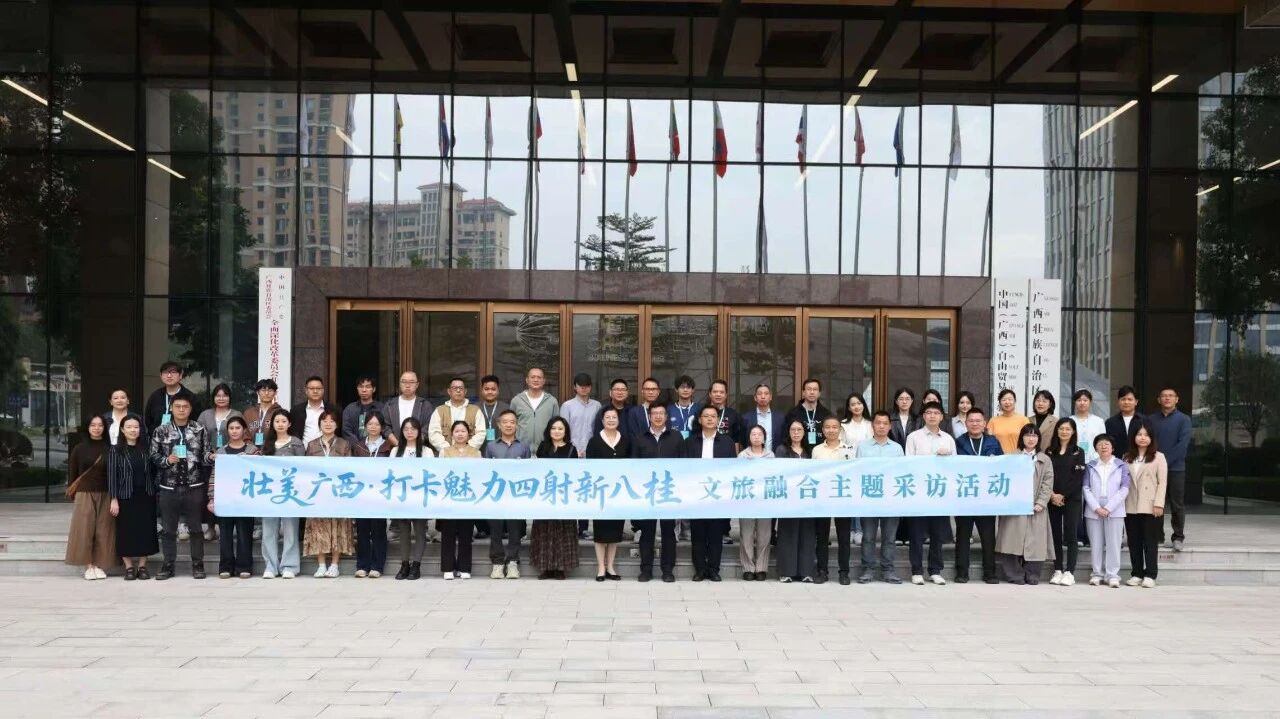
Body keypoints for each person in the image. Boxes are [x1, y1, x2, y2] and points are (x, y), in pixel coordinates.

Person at [149, 396, 208, 580]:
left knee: (196, 528)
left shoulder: (199, 429)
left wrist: (211, 457)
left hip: (194, 486)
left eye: (185, 406)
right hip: (169, 486)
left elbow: (205, 454)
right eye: (178, 406)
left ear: (190, 409)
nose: (181, 409)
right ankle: (168, 565)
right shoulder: (161, 430)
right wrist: (167, 460)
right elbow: (153, 455)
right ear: (172, 409)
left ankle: (198, 564)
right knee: (168, 529)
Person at [995, 424, 1056, 585]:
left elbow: (1048, 482)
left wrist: (1041, 502)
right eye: (1027, 435)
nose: (1031, 439)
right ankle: (1014, 574)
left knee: (1036, 542)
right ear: (1021, 438)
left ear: (1038, 439)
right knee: (1011, 540)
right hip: (1015, 507)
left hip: (1036, 507)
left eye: (1034, 435)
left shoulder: (1044, 459)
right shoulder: (1011, 457)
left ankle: (1032, 574)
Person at [904, 401, 955, 586]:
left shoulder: (948, 439)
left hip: (939, 492)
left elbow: (955, 467)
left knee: (937, 533)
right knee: (916, 534)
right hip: (918, 492)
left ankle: (935, 570)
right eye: (929, 412)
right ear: (923, 416)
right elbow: (908, 464)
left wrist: (946, 459)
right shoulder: (913, 437)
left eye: (936, 413)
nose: (932, 416)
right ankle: (917, 570)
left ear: (941, 417)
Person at [630, 403, 682, 582]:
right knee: (647, 532)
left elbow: (684, 464)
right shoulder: (640, 438)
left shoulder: (676, 437)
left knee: (668, 532)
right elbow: (634, 465)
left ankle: (668, 570)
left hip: (669, 491)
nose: (658, 416)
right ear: (649, 416)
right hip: (648, 492)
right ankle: (646, 570)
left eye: (661, 413)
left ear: (666, 416)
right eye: (654, 413)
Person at [683, 405, 735, 581]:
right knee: (697, 534)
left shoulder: (727, 442)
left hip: (718, 494)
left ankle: (713, 569)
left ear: (718, 420)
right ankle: (699, 569)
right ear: (699, 420)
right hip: (696, 494)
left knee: (715, 534)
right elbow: (685, 469)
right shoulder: (690, 442)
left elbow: (731, 469)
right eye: (706, 416)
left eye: (713, 416)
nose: (710, 419)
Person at [953, 407, 1002, 584]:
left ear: (984, 423)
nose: (975, 424)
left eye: (978, 421)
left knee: (988, 537)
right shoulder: (958, 442)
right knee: (963, 536)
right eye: (971, 421)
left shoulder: (993, 441)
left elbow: (1002, 464)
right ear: (966, 423)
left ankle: (990, 573)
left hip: (986, 498)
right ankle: (961, 572)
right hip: (965, 495)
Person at [303, 411, 354, 579]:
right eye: (324, 421)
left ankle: (334, 564)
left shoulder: (344, 444)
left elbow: (349, 469)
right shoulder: (312, 445)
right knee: (318, 527)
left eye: (332, 421)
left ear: (337, 425)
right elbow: (307, 469)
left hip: (338, 492)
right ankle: (321, 565)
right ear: (319, 424)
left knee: (338, 527)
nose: (328, 424)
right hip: (318, 492)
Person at [65, 415, 116, 580]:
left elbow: (113, 474)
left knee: (104, 530)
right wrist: (75, 495)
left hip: (106, 493)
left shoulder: (110, 449)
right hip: (84, 493)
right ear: (87, 427)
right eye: (93, 425)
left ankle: (99, 565)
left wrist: (114, 496)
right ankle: (88, 566)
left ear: (104, 428)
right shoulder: (79, 449)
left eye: (100, 425)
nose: (96, 428)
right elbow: (73, 473)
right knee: (85, 530)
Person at [856, 411, 904, 584]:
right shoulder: (863, 447)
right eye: (878, 423)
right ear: (872, 425)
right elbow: (858, 471)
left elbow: (901, 473)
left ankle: (888, 570)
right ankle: (868, 569)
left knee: (889, 538)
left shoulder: (897, 448)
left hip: (891, 499)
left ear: (890, 426)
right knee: (868, 537)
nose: (881, 426)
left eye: (885, 423)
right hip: (869, 497)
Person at [107, 415, 157, 580]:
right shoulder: (116, 450)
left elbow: (153, 472)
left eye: (136, 427)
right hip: (125, 496)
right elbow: (112, 476)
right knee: (125, 531)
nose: (133, 430)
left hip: (146, 495)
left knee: (145, 530)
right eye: (129, 427)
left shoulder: (146, 449)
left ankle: (142, 566)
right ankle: (129, 567)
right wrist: (114, 498)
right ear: (122, 430)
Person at [531, 417, 580, 580]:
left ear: (566, 432)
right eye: (553, 428)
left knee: (562, 532)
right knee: (544, 531)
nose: (557, 431)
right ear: (548, 430)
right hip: (545, 496)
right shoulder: (543, 447)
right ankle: (545, 567)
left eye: (560, 428)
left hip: (564, 497)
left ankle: (560, 568)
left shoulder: (572, 449)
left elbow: (575, 473)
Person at [483, 409, 530, 579]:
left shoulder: (523, 446)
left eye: (512, 422)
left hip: (516, 495)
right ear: (499, 425)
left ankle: (512, 562)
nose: (509, 425)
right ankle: (497, 563)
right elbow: (485, 471)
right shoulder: (491, 446)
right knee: (495, 530)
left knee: (514, 530)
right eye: (505, 422)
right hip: (496, 495)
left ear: (516, 425)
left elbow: (528, 472)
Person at [210, 416, 259, 579]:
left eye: (238, 428)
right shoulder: (221, 452)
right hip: (225, 498)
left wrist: (253, 460)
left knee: (245, 533)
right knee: (225, 534)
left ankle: (244, 566)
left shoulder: (253, 450)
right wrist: (212, 498)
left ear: (244, 430)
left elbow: (260, 472)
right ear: (227, 431)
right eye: (231, 428)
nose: (234, 431)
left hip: (246, 498)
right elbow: (214, 475)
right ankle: (225, 567)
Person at [385, 417, 433, 580]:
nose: (409, 432)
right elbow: (390, 473)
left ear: (419, 431)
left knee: (420, 531)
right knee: (404, 532)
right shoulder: (395, 451)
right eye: (406, 429)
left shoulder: (427, 451)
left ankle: (416, 565)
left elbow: (431, 473)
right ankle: (404, 564)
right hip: (402, 497)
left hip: (420, 497)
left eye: (413, 429)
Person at [260, 410, 305, 579]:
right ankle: (270, 566)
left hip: (290, 492)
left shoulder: (296, 443)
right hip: (270, 492)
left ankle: (289, 566)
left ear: (289, 424)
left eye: (283, 421)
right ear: (272, 424)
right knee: (269, 530)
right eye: (277, 421)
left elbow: (304, 467)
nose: (280, 424)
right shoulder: (267, 443)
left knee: (290, 530)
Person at [586, 406, 629, 581]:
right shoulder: (594, 441)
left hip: (619, 492)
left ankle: (611, 566)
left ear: (618, 420)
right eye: (608, 417)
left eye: (614, 417)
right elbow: (589, 467)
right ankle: (601, 568)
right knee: (600, 532)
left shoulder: (625, 440)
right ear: (602, 420)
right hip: (600, 493)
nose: (611, 420)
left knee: (615, 532)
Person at [1083, 434, 1130, 588]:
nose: (1103, 446)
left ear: (1113, 448)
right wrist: (1096, 507)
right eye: (1100, 444)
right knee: (1096, 543)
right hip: (1094, 509)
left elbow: (1124, 488)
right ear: (1095, 448)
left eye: (1107, 444)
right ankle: (1097, 574)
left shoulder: (1121, 465)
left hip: (1115, 509)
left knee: (1114, 544)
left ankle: (1112, 575)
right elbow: (1086, 488)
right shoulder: (1090, 466)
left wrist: (1109, 507)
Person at [1123, 422, 1167, 588]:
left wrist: (1159, 504)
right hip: (1130, 505)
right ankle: (1136, 573)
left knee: (1150, 542)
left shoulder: (1159, 457)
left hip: (1150, 505)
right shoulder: (1126, 457)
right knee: (1134, 542)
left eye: (1146, 435)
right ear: (1134, 437)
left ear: (1151, 438)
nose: (1142, 438)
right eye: (1139, 434)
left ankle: (1150, 574)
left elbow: (1162, 482)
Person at [196, 383, 241, 542]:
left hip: (229, 461)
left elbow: (241, 435)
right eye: (218, 395)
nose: (221, 398)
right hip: (209, 461)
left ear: (229, 397)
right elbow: (197, 438)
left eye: (225, 395)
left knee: (228, 493)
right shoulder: (205, 415)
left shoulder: (236, 414)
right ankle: (210, 527)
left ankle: (226, 528)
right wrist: (208, 454)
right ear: (214, 397)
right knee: (210, 495)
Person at [1148, 386, 1191, 551]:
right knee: (1155, 503)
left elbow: (1183, 445)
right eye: (1164, 396)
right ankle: (1157, 536)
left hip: (1176, 469)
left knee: (1176, 504)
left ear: (1176, 399)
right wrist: (1155, 463)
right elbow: (1148, 442)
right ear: (1159, 400)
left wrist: (1164, 463)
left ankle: (1178, 537)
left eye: (1171, 396)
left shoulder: (1184, 420)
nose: (1167, 398)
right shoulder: (1151, 420)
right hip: (1154, 468)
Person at [811, 416, 853, 585]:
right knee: (822, 537)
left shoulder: (849, 449)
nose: (831, 430)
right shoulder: (817, 450)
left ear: (840, 430)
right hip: (822, 498)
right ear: (823, 430)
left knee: (844, 537)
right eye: (827, 427)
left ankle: (844, 572)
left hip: (843, 498)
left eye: (835, 427)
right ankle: (822, 571)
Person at [351, 412, 393, 577]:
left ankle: (377, 566)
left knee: (378, 530)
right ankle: (362, 565)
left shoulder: (388, 447)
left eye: (377, 424)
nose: (373, 427)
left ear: (382, 427)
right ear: (365, 426)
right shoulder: (358, 446)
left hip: (380, 494)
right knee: (362, 530)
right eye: (370, 424)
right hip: (362, 493)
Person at [1046, 418, 1085, 586]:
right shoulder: (1049, 451)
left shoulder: (1078, 452)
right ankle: (1057, 569)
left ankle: (1069, 571)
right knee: (1055, 534)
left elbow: (1078, 478)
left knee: (1071, 535)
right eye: (1061, 428)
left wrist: (1063, 495)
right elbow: (1046, 475)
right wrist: (1052, 495)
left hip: (1072, 499)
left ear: (1073, 431)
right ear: (1057, 430)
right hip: (1052, 499)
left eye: (1068, 429)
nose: (1064, 431)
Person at [439, 421, 481, 579]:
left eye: (463, 431)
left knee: (466, 534)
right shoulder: (445, 451)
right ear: (452, 434)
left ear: (468, 434)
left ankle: (465, 568)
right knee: (447, 534)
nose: (460, 434)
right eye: (457, 431)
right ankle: (448, 568)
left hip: (468, 498)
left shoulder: (476, 452)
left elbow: (479, 474)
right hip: (449, 497)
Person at [775, 420, 815, 583]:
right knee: (788, 534)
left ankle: (806, 571)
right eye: (793, 430)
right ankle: (787, 572)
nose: (796, 433)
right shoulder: (782, 450)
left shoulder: (810, 451)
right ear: (788, 432)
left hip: (807, 497)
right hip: (788, 498)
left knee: (807, 534)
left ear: (804, 432)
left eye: (799, 430)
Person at [737, 425, 774, 581]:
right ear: (749, 437)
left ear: (764, 438)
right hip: (747, 499)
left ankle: (761, 568)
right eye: (753, 434)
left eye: (760, 434)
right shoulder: (742, 455)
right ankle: (748, 568)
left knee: (764, 534)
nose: (757, 437)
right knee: (746, 534)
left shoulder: (770, 455)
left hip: (765, 499)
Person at [474, 374, 508, 539]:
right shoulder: (474, 408)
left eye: (493, 389)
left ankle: (502, 528)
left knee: (500, 492)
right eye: (486, 389)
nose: (490, 392)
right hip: (479, 455)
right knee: (480, 492)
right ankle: (482, 528)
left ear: (498, 390)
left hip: (501, 455)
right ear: (482, 390)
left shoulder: (506, 408)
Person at [427, 377, 486, 455]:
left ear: (465, 391)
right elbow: (433, 433)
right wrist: (448, 449)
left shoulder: (475, 410)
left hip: (469, 455)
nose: (458, 390)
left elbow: (481, 433)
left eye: (461, 388)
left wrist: (467, 449)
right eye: (455, 388)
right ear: (449, 391)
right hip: (446, 455)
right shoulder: (439, 411)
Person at [143, 360, 199, 434]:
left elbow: (196, 420)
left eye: (173, 372)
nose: (169, 376)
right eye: (165, 372)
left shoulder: (190, 397)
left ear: (180, 375)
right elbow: (148, 420)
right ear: (161, 376)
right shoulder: (155, 396)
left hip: (183, 438)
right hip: (157, 438)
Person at [512, 367, 560, 450]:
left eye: (539, 377)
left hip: (545, 450)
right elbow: (511, 424)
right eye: (533, 377)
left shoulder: (552, 401)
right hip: (521, 449)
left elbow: (557, 426)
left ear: (544, 381)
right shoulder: (517, 401)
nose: (536, 380)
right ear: (527, 380)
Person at [561, 372, 601, 458]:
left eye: (587, 385)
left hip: (592, 450)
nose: (584, 388)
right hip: (571, 450)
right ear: (575, 387)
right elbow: (563, 431)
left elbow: (599, 429)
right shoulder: (567, 406)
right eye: (581, 385)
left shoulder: (597, 406)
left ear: (590, 387)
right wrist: (570, 449)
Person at [290, 375, 339, 444]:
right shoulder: (296, 410)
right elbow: (293, 432)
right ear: (306, 391)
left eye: (318, 388)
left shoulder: (333, 409)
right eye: (312, 388)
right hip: (303, 449)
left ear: (323, 390)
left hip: (329, 449)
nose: (315, 391)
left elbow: (339, 432)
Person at [786, 378, 834, 449]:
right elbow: (786, 436)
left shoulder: (826, 414)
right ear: (803, 392)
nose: (812, 392)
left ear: (819, 393)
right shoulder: (793, 413)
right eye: (809, 389)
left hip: (821, 452)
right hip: (800, 453)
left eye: (815, 389)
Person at [742, 383, 786, 456]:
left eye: (766, 393)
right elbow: (743, 440)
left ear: (770, 397)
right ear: (755, 398)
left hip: (775, 457)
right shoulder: (746, 418)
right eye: (759, 394)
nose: (763, 396)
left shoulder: (780, 418)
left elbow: (783, 439)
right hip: (752, 458)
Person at [341, 376, 384, 445]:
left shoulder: (382, 408)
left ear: (374, 389)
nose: (364, 390)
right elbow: (346, 431)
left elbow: (385, 429)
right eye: (361, 387)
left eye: (367, 387)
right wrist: (359, 446)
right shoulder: (350, 409)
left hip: (377, 447)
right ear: (357, 388)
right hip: (354, 448)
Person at [1104, 385, 1143, 457]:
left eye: (1130, 399)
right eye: (1123, 399)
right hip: (1116, 461)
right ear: (1118, 401)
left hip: (1140, 461)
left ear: (1136, 402)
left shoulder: (1144, 421)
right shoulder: (1110, 423)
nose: (1126, 402)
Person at [242, 379, 283, 447]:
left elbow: (283, 435)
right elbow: (244, 434)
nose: (266, 393)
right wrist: (252, 449)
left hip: (273, 450)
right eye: (263, 390)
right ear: (257, 392)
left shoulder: (280, 413)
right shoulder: (248, 413)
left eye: (270, 390)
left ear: (275, 393)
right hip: (250, 451)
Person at [987, 389, 1030, 454]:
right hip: (998, 457)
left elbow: (1028, 441)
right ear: (1000, 403)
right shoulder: (993, 421)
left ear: (1015, 401)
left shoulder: (1023, 420)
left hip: (1018, 457)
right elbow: (990, 442)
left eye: (1010, 399)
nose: (1007, 402)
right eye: (1004, 400)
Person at [1070, 389, 1108, 461]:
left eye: (1085, 400)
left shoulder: (1099, 421)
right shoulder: (1070, 421)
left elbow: (1103, 441)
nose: (1082, 403)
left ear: (1090, 402)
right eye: (1079, 400)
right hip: (1073, 460)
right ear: (1075, 402)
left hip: (1095, 460)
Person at [667, 375, 698, 439]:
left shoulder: (699, 409)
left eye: (688, 387)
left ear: (693, 390)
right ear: (676, 389)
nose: (685, 390)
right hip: (673, 444)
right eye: (682, 387)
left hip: (694, 443)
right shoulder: (668, 409)